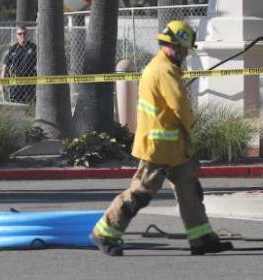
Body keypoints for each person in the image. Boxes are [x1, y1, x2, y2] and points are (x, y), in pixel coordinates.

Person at [90, 20, 233, 257]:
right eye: (183, 49)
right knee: (140, 192)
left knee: (189, 190)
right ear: (173, 46)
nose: (185, 54)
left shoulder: (163, 67)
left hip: (172, 147)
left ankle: (202, 238)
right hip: (159, 148)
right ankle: (105, 233)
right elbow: (181, 107)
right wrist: (192, 127)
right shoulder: (164, 70)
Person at [0, 25, 38, 104]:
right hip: (15, 84)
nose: (22, 36)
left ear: (27, 34)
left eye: (24, 33)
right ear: (16, 36)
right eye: (20, 34)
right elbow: (4, 68)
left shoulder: (34, 48)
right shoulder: (12, 49)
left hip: (29, 83)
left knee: (30, 106)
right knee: (15, 106)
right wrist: (1, 85)